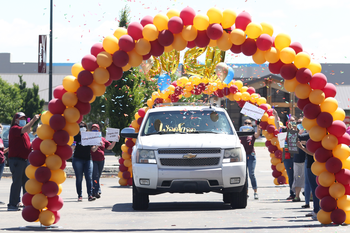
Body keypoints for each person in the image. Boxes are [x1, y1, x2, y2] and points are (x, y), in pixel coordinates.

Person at [7, 112, 40, 211]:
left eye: (25, 118)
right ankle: (12, 204)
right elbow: (25, 128)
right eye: (21, 118)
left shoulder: (23, 132)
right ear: (16, 120)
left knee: (26, 183)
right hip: (17, 160)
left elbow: (28, 130)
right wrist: (33, 120)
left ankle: (26, 202)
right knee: (17, 183)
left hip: (24, 160)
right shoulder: (14, 129)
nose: (23, 120)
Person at [71, 121, 99, 202]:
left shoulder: (89, 136)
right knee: (79, 178)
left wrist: (97, 144)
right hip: (77, 159)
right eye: (80, 126)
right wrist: (73, 146)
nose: (82, 128)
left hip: (88, 159)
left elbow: (93, 149)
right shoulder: (75, 136)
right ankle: (80, 195)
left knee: (89, 177)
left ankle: (90, 195)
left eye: (83, 126)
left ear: (86, 128)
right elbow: (72, 148)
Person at [90, 124, 117, 198]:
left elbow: (109, 147)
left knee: (97, 176)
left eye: (96, 128)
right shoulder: (91, 138)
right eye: (93, 128)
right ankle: (95, 191)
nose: (94, 130)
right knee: (95, 176)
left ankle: (96, 190)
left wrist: (114, 141)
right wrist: (97, 145)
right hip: (94, 160)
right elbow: (93, 149)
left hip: (101, 160)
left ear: (99, 130)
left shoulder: (103, 139)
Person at [297, 132, 319, 220]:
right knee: (314, 189)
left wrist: (302, 148)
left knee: (316, 189)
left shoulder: (314, 134)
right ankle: (316, 209)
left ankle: (318, 210)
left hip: (314, 166)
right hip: (312, 165)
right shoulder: (313, 133)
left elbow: (314, 154)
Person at [239, 118, 261, 200]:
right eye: (245, 123)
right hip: (243, 156)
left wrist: (258, 125)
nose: (247, 125)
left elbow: (257, 134)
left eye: (249, 123)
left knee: (251, 173)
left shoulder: (252, 134)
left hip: (251, 156)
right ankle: (246, 192)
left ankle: (255, 192)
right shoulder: (240, 134)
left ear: (251, 125)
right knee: (245, 175)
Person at [0, 124, 9, 205]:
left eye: (0, 128)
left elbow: (2, 151)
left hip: (1, 162)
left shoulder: (1, 139)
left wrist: (8, 149)